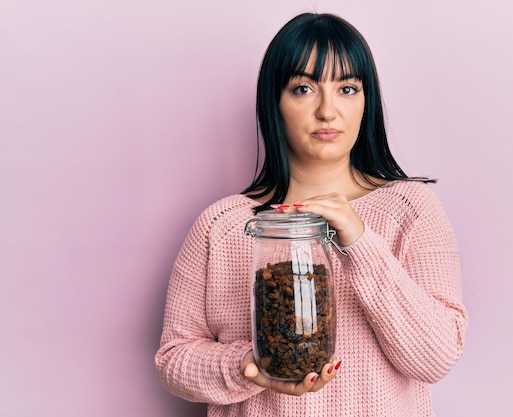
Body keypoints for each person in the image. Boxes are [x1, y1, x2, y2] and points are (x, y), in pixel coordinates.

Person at [155, 12, 468, 417]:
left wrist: (359, 239)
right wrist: (250, 367)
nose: (327, 110)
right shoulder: (224, 225)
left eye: (348, 88)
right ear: (275, 102)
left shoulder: (409, 210)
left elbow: (436, 356)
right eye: (303, 88)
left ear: (366, 103)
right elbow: (174, 359)